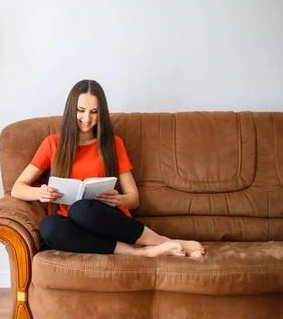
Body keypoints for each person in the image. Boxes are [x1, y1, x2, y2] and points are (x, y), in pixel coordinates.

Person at [11, 79, 205, 258]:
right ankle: (143, 253)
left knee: (81, 210)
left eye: (94, 112)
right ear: (72, 110)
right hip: (71, 225)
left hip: (102, 218)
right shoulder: (52, 144)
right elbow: (17, 188)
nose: (87, 118)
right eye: (81, 110)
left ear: (101, 113)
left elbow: (133, 198)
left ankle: (167, 242)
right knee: (49, 226)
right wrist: (40, 193)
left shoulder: (113, 144)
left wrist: (117, 199)